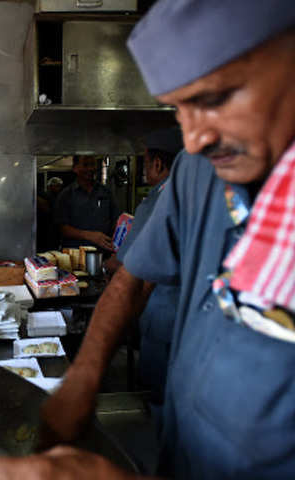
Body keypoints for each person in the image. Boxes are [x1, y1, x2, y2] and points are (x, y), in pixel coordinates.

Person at [0, 1, 295, 479]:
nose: (196, 137)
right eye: (179, 109)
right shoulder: (199, 172)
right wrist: (83, 379)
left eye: (216, 97)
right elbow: (136, 279)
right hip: (181, 447)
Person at [114, 128, 183, 410]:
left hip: (161, 315)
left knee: (157, 395)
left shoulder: (157, 200)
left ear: (157, 164)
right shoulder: (190, 196)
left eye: (144, 163)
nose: (144, 170)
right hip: (190, 321)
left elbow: (127, 262)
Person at [54, 155, 121, 251]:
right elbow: (62, 228)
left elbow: (115, 220)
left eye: (93, 164)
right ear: (75, 168)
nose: (90, 168)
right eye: (85, 165)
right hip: (76, 254)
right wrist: (89, 235)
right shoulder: (66, 195)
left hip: (103, 252)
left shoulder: (106, 192)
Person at [36, 177, 64, 251]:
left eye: (59, 186)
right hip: (45, 228)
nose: (59, 188)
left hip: (54, 229)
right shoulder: (45, 196)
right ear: (50, 186)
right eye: (57, 185)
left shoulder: (60, 197)